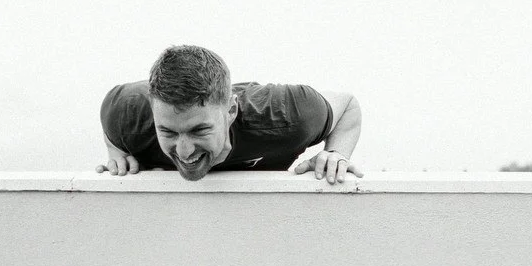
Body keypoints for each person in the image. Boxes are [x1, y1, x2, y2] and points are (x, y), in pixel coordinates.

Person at [96, 45, 363, 184]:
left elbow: (348, 106)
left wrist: (336, 152)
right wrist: (117, 150)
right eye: (167, 132)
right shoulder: (126, 113)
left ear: (231, 110)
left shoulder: (291, 114)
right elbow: (111, 127)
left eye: (199, 130)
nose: (185, 151)